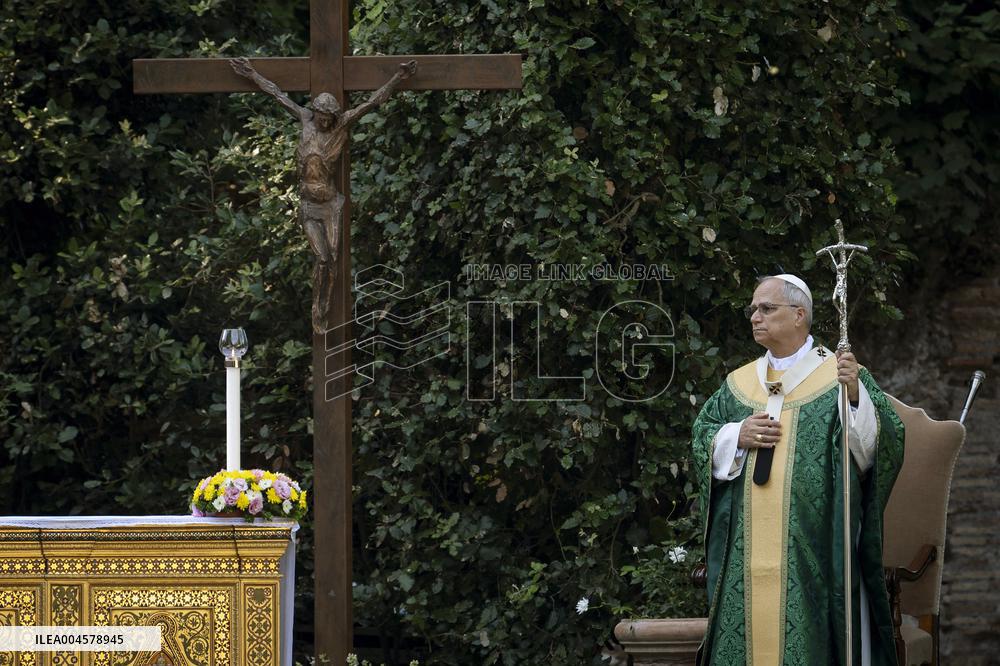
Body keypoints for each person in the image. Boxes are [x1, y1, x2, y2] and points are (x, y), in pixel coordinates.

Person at [691, 274, 904, 665]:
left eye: (767, 308)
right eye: (753, 309)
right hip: (746, 550)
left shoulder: (840, 377)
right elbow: (702, 435)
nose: (755, 316)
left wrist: (855, 398)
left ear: (799, 315)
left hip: (816, 544)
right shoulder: (738, 384)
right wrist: (737, 434)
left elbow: (880, 446)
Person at [229, 57, 417, 333]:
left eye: (329, 119)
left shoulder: (340, 127)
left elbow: (371, 103)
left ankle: (326, 305)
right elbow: (277, 94)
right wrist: (251, 74)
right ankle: (319, 309)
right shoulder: (305, 118)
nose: (325, 122)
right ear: (315, 112)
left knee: (334, 260)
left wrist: (398, 78)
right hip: (308, 205)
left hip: (330, 205)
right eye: (321, 117)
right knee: (323, 258)